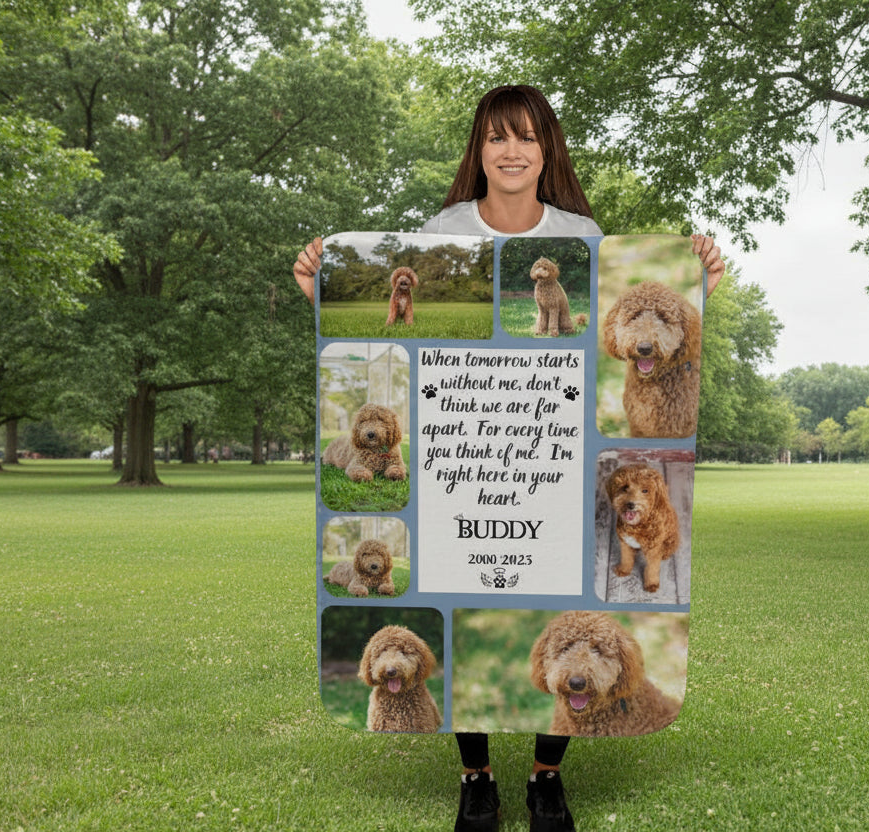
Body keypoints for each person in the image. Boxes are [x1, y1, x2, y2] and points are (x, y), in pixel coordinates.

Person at [294, 85, 725, 832]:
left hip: (546, 456)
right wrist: (317, 292)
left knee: (563, 616)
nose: (512, 150)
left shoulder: (579, 229)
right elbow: (418, 343)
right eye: (497, 137)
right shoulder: (444, 228)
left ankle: (545, 778)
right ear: (479, 150)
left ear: (546, 148)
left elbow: (612, 345)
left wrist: (701, 283)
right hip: (462, 453)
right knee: (455, 599)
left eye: (527, 136)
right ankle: (475, 776)